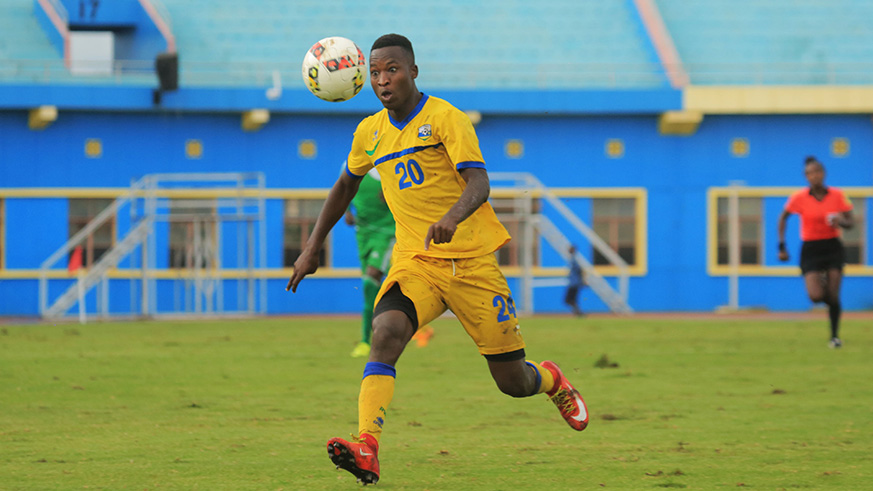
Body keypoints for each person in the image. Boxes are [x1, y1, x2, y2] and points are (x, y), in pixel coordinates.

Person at [287, 34, 588, 485]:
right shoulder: (369, 132)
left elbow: (479, 183)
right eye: (374, 73)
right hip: (417, 263)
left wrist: (451, 217)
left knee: (512, 383)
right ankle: (367, 445)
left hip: (473, 265)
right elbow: (345, 185)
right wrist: (312, 247)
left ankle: (551, 380)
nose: (382, 80)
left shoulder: (447, 119)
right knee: (385, 333)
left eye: (392, 70)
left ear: (413, 71)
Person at [344, 167, 434, 358]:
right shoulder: (353, 164)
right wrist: (347, 211)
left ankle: (367, 341)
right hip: (364, 234)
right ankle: (417, 330)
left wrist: (395, 195)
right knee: (375, 286)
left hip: (389, 234)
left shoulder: (393, 166)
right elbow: (345, 188)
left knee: (372, 278)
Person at [777, 156, 854, 348]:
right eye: (810, 173)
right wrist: (782, 246)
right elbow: (783, 218)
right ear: (806, 176)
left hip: (833, 247)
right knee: (816, 296)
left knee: (834, 295)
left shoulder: (838, 195)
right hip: (811, 248)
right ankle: (827, 293)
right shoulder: (799, 197)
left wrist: (840, 221)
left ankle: (834, 337)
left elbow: (851, 222)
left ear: (823, 173)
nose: (814, 176)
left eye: (817, 172)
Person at [564, 244, 585, 316]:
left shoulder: (574, 260)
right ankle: (577, 312)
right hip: (574, 282)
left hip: (574, 283)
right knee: (571, 299)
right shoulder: (573, 259)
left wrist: (582, 280)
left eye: (570, 249)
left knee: (568, 299)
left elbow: (580, 270)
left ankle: (577, 312)